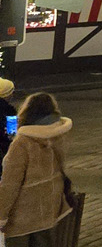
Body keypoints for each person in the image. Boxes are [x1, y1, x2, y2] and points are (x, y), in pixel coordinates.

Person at [0, 93, 73, 246]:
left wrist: (1, 216)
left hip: (22, 219)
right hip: (48, 212)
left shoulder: (23, 142)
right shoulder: (57, 135)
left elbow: (10, 185)